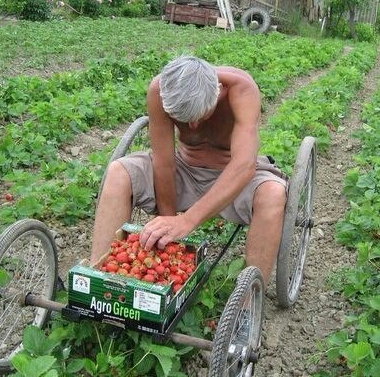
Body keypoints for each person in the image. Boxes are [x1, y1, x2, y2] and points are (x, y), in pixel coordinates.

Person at [91, 56, 287, 283]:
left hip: (231, 174)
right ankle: (99, 275)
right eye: (184, 120)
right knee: (118, 172)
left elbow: (244, 166)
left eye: (201, 116)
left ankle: (250, 300)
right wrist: (169, 223)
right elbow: (164, 163)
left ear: (217, 91)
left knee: (273, 194)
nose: (193, 126)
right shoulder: (161, 89)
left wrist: (187, 221)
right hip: (184, 168)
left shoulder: (241, 89)